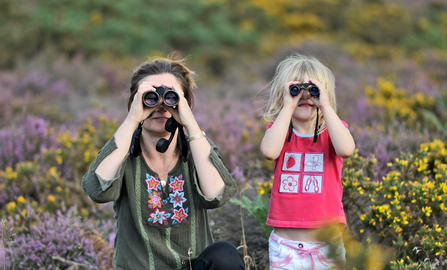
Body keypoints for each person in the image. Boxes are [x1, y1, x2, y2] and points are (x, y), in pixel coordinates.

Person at [82, 55, 245, 270]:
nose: (160, 106)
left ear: (184, 102)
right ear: (135, 103)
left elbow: (216, 195)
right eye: (150, 97)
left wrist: (190, 124)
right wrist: (132, 119)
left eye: (171, 97)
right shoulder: (123, 154)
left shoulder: (196, 148)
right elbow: (97, 190)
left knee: (224, 254)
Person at [260, 53, 355, 270]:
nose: (305, 96)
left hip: (327, 244)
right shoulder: (280, 131)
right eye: (297, 90)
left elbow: (347, 149)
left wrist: (326, 107)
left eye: (313, 90)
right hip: (285, 246)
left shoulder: (331, 131)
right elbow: (269, 151)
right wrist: (287, 108)